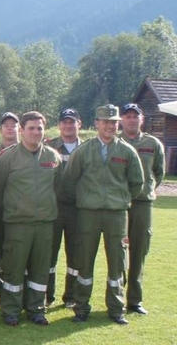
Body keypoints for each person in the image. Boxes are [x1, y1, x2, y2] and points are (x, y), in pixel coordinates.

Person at [62, 104, 144, 325]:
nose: (109, 125)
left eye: (113, 122)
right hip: (88, 214)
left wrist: (119, 199)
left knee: (117, 262)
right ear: (96, 123)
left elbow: (137, 183)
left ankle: (116, 309)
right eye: (105, 121)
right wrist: (84, 199)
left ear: (118, 124)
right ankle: (81, 307)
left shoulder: (127, 151)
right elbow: (69, 180)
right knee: (84, 261)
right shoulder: (83, 151)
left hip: (117, 215)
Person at [0, 111, 62, 326]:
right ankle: (11, 309)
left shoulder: (53, 157)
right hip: (18, 224)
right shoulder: (7, 157)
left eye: (39, 128)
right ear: (21, 130)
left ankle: (36, 309)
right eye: (31, 128)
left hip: (44, 224)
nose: (35, 132)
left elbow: (57, 188)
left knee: (40, 269)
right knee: (14, 268)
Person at [119, 103, 165, 315]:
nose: (131, 120)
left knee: (138, 252)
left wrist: (146, 191)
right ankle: (116, 298)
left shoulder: (152, 143)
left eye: (135, 116)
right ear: (122, 119)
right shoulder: (115, 142)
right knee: (118, 252)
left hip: (142, 204)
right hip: (118, 204)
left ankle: (135, 300)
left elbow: (159, 172)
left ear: (142, 119)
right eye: (127, 116)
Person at [44, 108, 82, 308]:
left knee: (75, 254)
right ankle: (47, 296)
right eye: (64, 122)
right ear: (59, 125)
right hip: (54, 208)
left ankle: (71, 297)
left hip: (78, 209)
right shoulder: (48, 147)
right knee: (49, 254)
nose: (68, 125)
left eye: (72, 122)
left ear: (79, 124)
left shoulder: (86, 148)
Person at [0, 112, 20, 305]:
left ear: (20, 129)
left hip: (20, 213)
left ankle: (18, 293)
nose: (9, 128)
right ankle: (1, 294)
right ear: (0, 129)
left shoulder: (26, 151)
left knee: (19, 254)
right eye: (6, 125)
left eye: (13, 125)